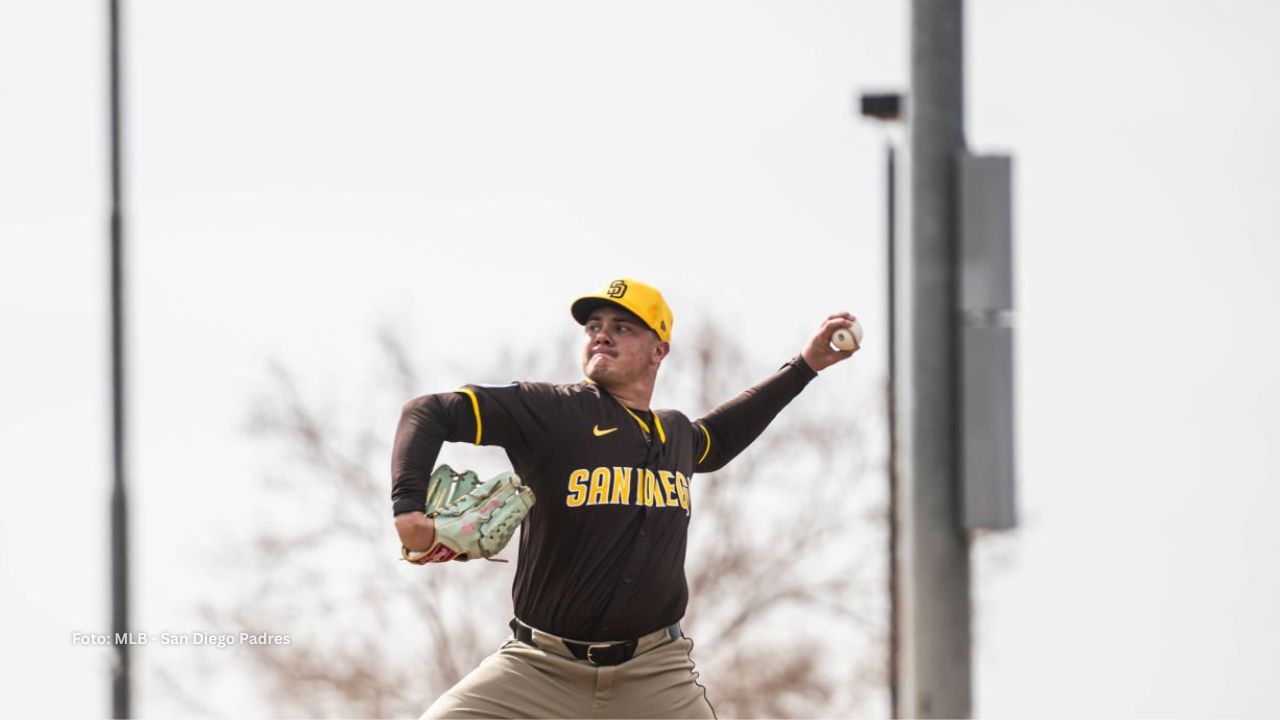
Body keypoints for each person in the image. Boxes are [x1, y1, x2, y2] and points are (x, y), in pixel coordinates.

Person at [391, 277, 859, 719]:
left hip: (654, 672)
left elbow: (722, 435)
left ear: (659, 349)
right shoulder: (554, 412)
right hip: (538, 668)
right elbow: (428, 411)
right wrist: (408, 508)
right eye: (594, 326)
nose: (602, 336)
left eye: (623, 327)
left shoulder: (675, 435)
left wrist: (805, 366)